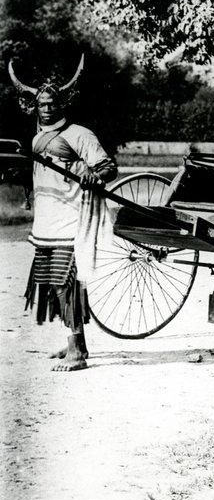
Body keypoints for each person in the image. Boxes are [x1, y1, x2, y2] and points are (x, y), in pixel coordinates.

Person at [9, 57, 117, 372]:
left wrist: (95, 176)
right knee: (50, 281)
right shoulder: (35, 138)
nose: (46, 108)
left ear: (63, 103)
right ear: (33, 105)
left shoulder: (79, 134)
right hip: (46, 221)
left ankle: (77, 352)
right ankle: (76, 341)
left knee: (65, 282)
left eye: (52, 102)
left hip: (71, 219)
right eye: (41, 103)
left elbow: (107, 167)